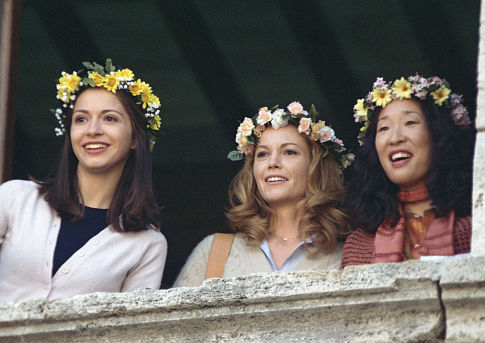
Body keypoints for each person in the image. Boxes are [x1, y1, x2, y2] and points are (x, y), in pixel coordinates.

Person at [0, 59, 167, 302]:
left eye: (109, 118)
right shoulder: (14, 198)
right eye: (81, 119)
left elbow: (131, 332)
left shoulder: (148, 244)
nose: (92, 130)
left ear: (134, 139)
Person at [174, 102, 354, 287]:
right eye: (262, 154)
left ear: (317, 167)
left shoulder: (348, 259)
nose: (272, 162)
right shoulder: (214, 252)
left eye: (289, 152)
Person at [341, 75, 473, 268]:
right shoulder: (359, 246)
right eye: (384, 128)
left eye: (410, 123)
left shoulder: (475, 228)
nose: (394, 138)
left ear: (440, 135)